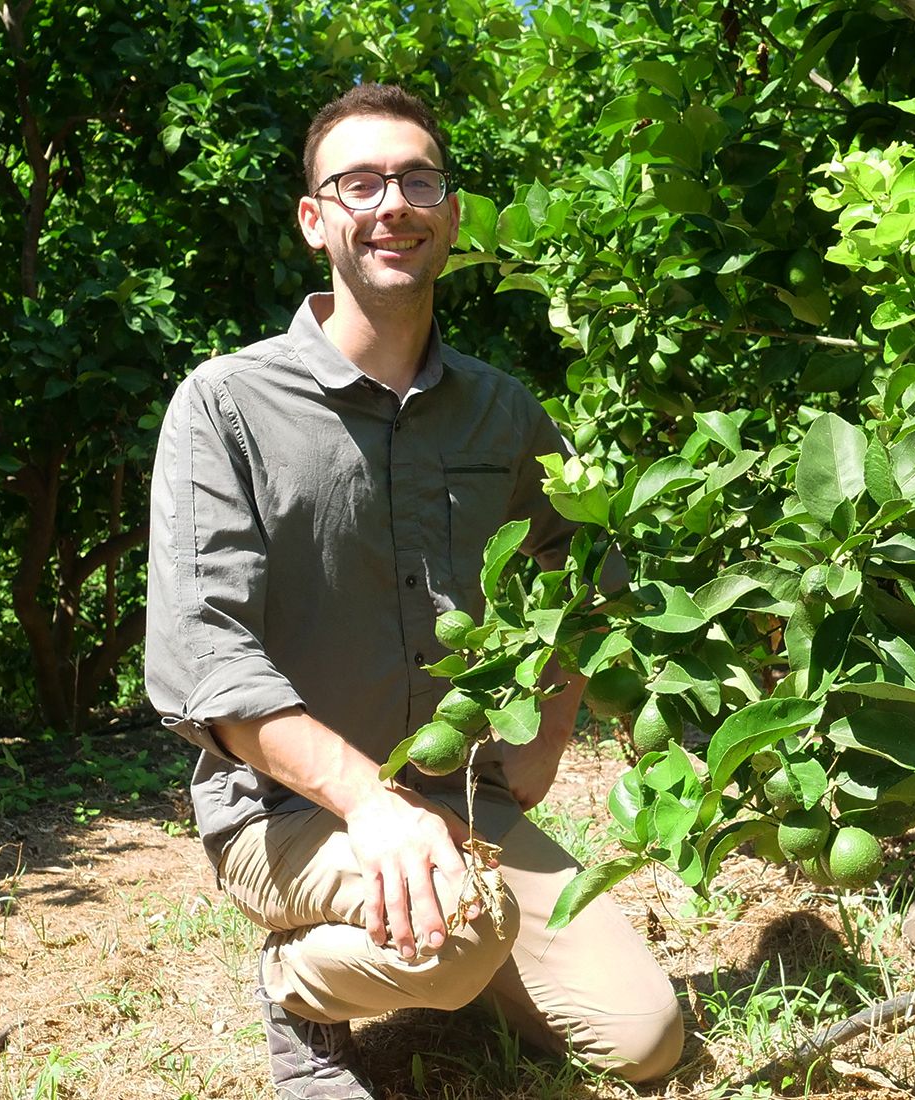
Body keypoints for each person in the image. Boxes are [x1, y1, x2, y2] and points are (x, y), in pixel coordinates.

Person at [142, 85, 685, 1098]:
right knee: (457, 934)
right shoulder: (226, 404)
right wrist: (371, 806)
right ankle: (302, 986)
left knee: (645, 1034)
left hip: (463, 798)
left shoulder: (503, 410)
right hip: (289, 811)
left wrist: (548, 732)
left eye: (418, 179)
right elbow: (204, 657)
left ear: (453, 213)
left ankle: (451, 953)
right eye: (359, 182)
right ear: (316, 220)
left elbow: (581, 576)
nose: (393, 203)